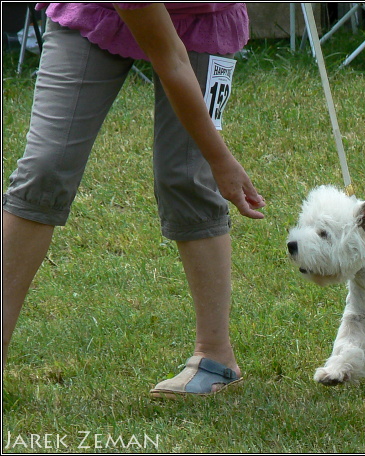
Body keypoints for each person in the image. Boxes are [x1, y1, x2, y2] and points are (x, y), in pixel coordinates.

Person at [2, 3, 265, 398]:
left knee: (187, 177)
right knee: (46, 167)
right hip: (96, 11)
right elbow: (170, 60)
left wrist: (214, 161)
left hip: (202, 19)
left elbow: (177, 59)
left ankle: (216, 357)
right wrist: (222, 158)